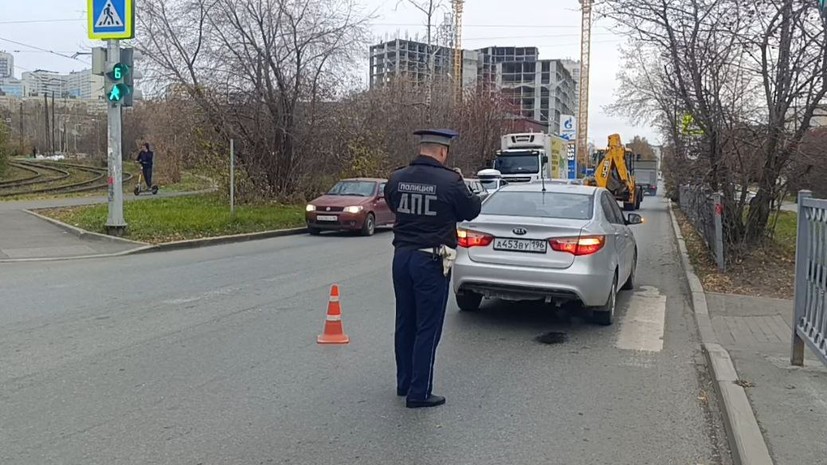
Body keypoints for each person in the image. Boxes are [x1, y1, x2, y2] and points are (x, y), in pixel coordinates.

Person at [384, 129, 482, 409]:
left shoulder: (397, 177)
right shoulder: (450, 181)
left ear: (421, 149)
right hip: (431, 260)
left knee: (405, 321)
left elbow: (392, 204)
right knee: (427, 326)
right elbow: (471, 210)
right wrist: (464, 184)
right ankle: (419, 392)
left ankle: (404, 383)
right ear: (443, 152)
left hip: (401, 257)